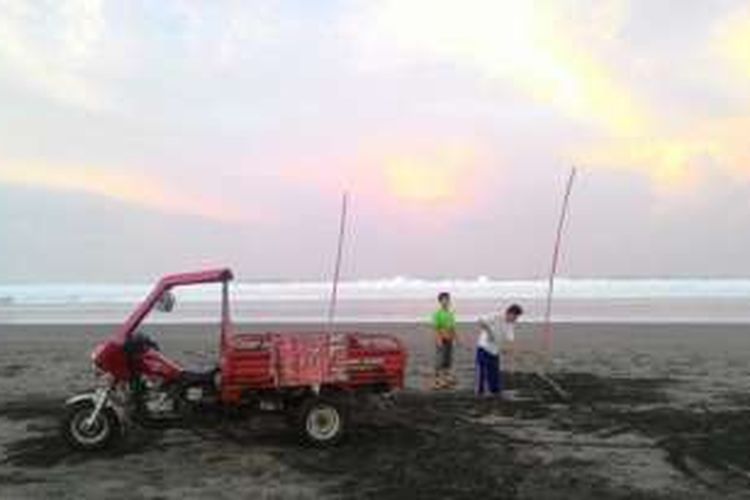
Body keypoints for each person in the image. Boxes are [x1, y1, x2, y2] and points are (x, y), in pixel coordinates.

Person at [476, 304, 523, 397]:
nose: (515, 319)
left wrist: (513, 353)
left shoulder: (510, 325)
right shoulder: (496, 316)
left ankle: (495, 391)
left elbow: (510, 340)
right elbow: (480, 321)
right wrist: (489, 332)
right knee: (483, 372)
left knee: (495, 372)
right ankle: (480, 393)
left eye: (517, 317)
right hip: (484, 347)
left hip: (495, 351)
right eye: (515, 316)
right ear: (510, 313)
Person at [432, 292, 457, 389]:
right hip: (441, 340)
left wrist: (457, 339)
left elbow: (452, 328)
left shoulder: (450, 313)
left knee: (448, 360)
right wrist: (438, 340)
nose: (446, 302)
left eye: (447, 299)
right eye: (443, 300)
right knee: (440, 361)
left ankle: (446, 380)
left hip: (449, 340)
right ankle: (438, 381)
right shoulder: (437, 314)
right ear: (440, 301)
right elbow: (436, 328)